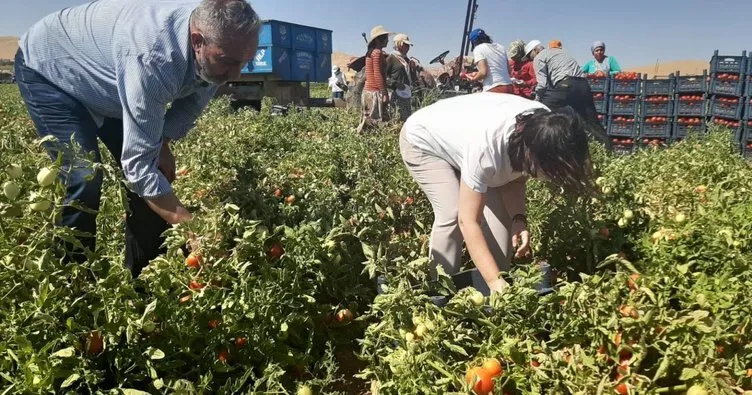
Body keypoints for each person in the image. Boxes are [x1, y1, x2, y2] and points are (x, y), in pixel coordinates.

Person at [14, 0, 260, 277]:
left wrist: (163, 142)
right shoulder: (154, 57)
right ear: (197, 41)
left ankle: (146, 279)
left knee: (156, 171)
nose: (235, 74)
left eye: (244, 63)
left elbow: (191, 103)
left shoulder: (214, 49)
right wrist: (189, 225)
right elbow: (138, 167)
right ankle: (72, 282)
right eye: (228, 61)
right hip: (52, 73)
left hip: (109, 82)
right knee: (83, 178)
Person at [400, 93, 592, 293]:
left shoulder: (547, 131)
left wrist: (519, 219)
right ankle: (440, 290)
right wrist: (493, 282)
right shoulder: (487, 151)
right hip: (423, 141)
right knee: (453, 212)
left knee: (502, 231)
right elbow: (468, 221)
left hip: (466, 140)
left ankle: (495, 291)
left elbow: (515, 177)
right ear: (532, 155)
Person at [525, 40, 611, 149]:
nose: (530, 59)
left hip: (565, 85)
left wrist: (536, 102)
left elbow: (542, 84)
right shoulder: (560, 52)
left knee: (542, 112)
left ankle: (540, 147)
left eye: (529, 56)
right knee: (591, 120)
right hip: (583, 85)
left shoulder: (539, 57)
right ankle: (608, 151)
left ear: (535, 50)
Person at [357, 25, 390, 133]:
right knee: (374, 123)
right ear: (379, 39)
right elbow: (377, 74)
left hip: (367, 91)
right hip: (374, 92)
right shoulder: (377, 53)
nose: (388, 40)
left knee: (367, 121)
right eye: (385, 37)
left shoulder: (371, 52)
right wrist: (384, 93)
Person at [464, 28, 513, 93]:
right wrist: (478, 74)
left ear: (473, 42)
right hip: (509, 86)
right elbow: (508, 71)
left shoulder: (478, 49)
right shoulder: (501, 47)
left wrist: (473, 78)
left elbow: (484, 73)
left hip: (493, 88)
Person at [386, 33, 419, 122]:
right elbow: (383, 77)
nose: (408, 47)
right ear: (398, 44)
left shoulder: (407, 60)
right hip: (396, 94)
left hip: (407, 95)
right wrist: (395, 84)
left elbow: (411, 79)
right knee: (397, 118)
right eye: (405, 45)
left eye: (408, 45)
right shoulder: (391, 58)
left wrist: (413, 70)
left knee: (406, 119)